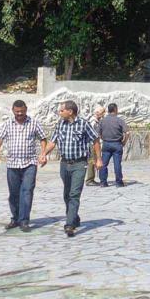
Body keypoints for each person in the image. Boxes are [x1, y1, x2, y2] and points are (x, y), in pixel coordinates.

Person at [39, 100, 102, 238]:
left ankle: (69, 224)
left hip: (79, 164)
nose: (59, 112)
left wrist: (99, 159)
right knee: (67, 194)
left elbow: (95, 140)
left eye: (62, 110)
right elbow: (52, 142)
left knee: (74, 194)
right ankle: (74, 217)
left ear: (70, 111)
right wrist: (44, 154)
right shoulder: (60, 124)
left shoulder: (83, 124)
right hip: (64, 164)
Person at [0, 100, 47, 231]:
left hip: (30, 163)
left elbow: (43, 138)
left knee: (27, 191)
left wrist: (43, 154)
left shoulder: (33, 123)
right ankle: (15, 218)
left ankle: (24, 220)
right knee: (14, 193)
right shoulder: (7, 124)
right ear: (13, 111)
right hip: (12, 164)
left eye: (22, 111)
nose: (20, 114)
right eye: (17, 112)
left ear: (26, 109)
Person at [98, 103, 129, 187]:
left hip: (106, 144)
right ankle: (119, 182)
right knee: (117, 164)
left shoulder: (102, 120)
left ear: (108, 110)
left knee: (103, 164)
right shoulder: (119, 120)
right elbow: (127, 132)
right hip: (117, 144)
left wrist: (103, 139)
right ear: (115, 109)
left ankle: (103, 182)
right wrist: (124, 142)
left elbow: (98, 133)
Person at [85, 105, 105, 185]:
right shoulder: (93, 121)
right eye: (102, 113)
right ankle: (90, 179)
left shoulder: (97, 121)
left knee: (93, 160)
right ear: (97, 113)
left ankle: (91, 178)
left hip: (93, 143)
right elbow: (92, 134)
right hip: (92, 144)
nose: (103, 114)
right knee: (92, 161)